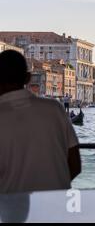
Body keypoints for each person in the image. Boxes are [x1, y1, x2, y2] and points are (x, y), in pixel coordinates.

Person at [0, 50, 81, 194]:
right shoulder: (55, 108)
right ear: (28, 78)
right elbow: (75, 165)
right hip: (56, 205)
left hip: (10, 209)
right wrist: (53, 189)